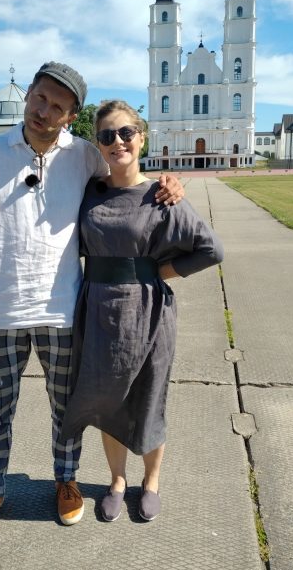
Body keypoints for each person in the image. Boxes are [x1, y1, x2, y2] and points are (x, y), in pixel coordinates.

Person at [0, 63, 184, 543]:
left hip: (61, 311)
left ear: (70, 116)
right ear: (28, 94)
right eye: (40, 98)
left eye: (57, 106)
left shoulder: (83, 156)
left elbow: (124, 174)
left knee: (65, 409)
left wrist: (166, 184)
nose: (43, 111)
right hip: (1, 310)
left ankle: (66, 481)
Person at [61, 100, 223, 522]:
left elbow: (211, 249)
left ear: (141, 138)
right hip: (98, 312)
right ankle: (117, 481)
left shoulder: (162, 195)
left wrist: (159, 272)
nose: (117, 142)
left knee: (149, 397)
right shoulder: (88, 192)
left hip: (148, 312)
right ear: (98, 144)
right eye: (107, 136)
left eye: (126, 133)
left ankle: (151, 482)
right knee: (108, 401)